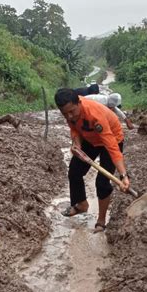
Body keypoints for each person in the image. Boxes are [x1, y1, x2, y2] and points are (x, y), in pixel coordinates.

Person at [54, 88, 131, 232]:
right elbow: (75, 128)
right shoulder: (70, 113)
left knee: (102, 183)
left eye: (72, 111)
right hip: (90, 138)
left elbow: (112, 147)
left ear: (79, 103)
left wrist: (123, 175)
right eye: (65, 114)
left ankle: (101, 221)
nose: (69, 116)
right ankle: (81, 205)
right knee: (74, 171)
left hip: (111, 138)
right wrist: (76, 143)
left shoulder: (95, 115)